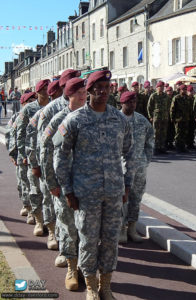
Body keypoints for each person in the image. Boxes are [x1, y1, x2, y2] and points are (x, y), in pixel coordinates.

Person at [53, 70, 135, 300]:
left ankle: (105, 285)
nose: (102, 92)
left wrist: (127, 184)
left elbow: (129, 153)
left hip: (113, 192)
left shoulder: (119, 120)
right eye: (97, 88)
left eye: (106, 87)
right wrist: (67, 190)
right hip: (85, 194)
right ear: (88, 91)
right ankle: (90, 286)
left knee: (110, 241)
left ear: (111, 90)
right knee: (88, 240)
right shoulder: (74, 120)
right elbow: (60, 156)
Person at [41, 78, 87, 290]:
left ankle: (86, 269)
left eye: (84, 92)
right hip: (65, 185)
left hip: (88, 184)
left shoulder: (90, 117)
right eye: (78, 92)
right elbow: (46, 151)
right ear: (68, 95)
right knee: (69, 228)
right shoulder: (59, 120)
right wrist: (52, 182)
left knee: (87, 229)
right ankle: (71, 267)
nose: (83, 96)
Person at [119, 91, 154, 243]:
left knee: (136, 198)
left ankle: (132, 228)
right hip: (119, 168)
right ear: (122, 103)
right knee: (121, 199)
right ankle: (120, 229)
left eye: (134, 102)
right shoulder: (115, 120)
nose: (132, 105)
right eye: (129, 102)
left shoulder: (142, 121)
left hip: (139, 167)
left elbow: (150, 141)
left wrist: (146, 160)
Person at [16, 81, 50, 236]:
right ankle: (39, 221)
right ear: (37, 92)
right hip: (33, 155)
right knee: (35, 191)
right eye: (43, 90)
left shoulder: (54, 107)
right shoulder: (29, 109)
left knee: (50, 192)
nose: (46, 92)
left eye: (47, 89)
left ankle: (51, 225)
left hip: (49, 156)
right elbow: (21, 132)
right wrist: (23, 155)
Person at [8, 93, 36, 224]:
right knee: (23, 183)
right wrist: (13, 154)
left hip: (33, 154)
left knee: (34, 185)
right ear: (23, 103)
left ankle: (35, 209)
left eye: (33, 100)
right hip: (21, 154)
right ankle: (27, 206)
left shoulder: (38, 114)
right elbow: (11, 136)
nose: (32, 102)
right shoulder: (16, 117)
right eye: (29, 100)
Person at [147, 81, 170, 154]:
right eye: (160, 87)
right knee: (156, 133)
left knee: (163, 133)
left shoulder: (166, 96)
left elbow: (168, 106)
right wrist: (150, 116)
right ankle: (155, 148)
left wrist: (167, 114)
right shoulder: (153, 96)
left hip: (164, 117)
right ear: (157, 87)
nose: (162, 88)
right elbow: (149, 107)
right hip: (156, 117)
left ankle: (162, 147)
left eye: (163, 87)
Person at [170, 85, 192, 153]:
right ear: (180, 90)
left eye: (185, 89)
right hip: (178, 119)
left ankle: (183, 146)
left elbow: (190, 108)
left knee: (184, 133)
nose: (184, 91)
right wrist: (172, 118)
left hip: (186, 118)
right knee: (178, 133)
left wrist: (189, 116)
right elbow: (172, 109)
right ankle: (178, 147)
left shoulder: (188, 98)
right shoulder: (176, 98)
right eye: (183, 89)